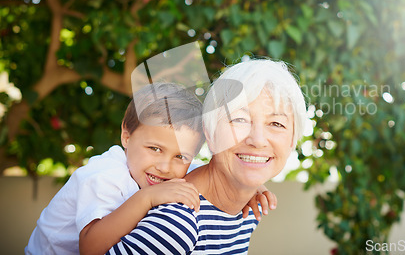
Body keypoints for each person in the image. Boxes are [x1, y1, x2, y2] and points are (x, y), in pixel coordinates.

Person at [26, 82, 276, 255]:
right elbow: (90, 249)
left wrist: (251, 183)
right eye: (154, 149)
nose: (166, 166)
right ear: (126, 136)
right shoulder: (103, 177)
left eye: (180, 156)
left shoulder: (175, 167)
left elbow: (214, 170)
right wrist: (147, 198)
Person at [107, 58, 307, 255]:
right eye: (239, 119)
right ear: (209, 134)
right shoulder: (177, 224)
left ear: (292, 141)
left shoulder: (247, 213)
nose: (258, 140)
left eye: (276, 124)